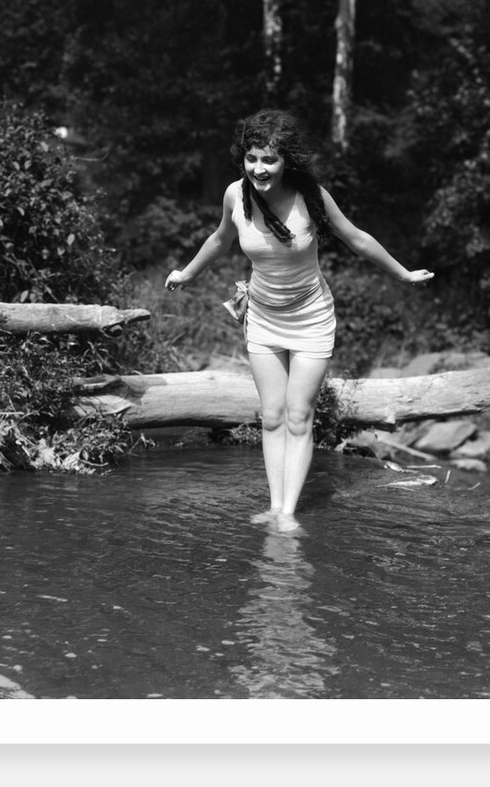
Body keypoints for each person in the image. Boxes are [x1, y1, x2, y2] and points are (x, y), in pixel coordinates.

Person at [165, 109, 433, 531]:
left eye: (269, 160)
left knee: (297, 415)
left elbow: (357, 238)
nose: (259, 168)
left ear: (286, 160)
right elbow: (220, 238)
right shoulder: (236, 195)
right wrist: (187, 273)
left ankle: (288, 514)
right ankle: (274, 506)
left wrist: (402, 273)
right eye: (252, 158)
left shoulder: (311, 197)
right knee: (270, 416)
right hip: (263, 318)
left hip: (311, 318)